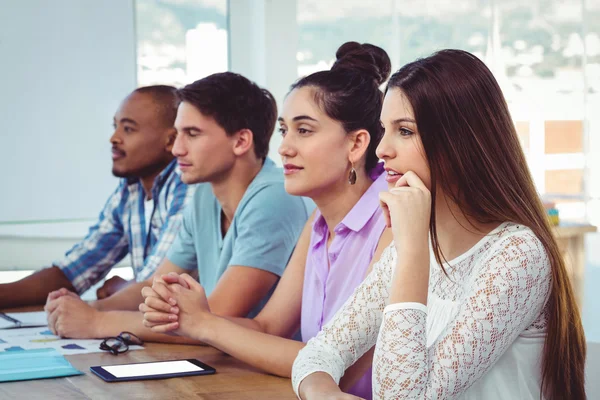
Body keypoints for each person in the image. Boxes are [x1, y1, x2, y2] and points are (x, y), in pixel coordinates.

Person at [291, 50, 587, 400]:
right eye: (384, 130)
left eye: (404, 131)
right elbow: (318, 352)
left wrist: (412, 246)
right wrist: (327, 395)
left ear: (458, 140)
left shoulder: (518, 255)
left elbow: (404, 398)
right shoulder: (416, 243)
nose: (383, 149)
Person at [140, 42, 394, 399]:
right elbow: (268, 326)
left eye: (303, 131)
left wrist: (206, 324)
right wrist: (187, 318)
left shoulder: (391, 223)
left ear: (356, 145)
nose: (285, 148)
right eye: (284, 131)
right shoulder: (319, 224)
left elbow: (338, 367)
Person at [43, 72, 309, 342]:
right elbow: (153, 286)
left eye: (192, 134)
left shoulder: (274, 198)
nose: (177, 149)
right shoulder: (204, 195)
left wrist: (98, 322)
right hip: (227, 363)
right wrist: (88, 309)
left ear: (241, 141)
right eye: (178, 134)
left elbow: (210, 320)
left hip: (266, 373)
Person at [0, 85, 192, 309]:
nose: (114, 138)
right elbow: (73, 272)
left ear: (170, 141)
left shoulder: (187, 185)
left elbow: (154, 288)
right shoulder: (129, 191)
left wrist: (124, 290)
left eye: (128, 129)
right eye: (115, 126)